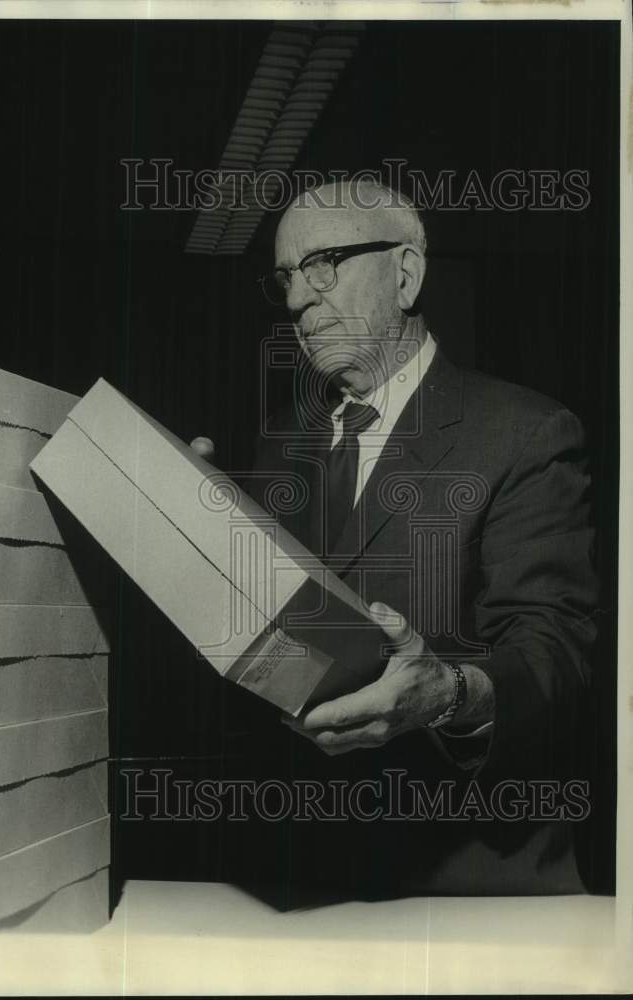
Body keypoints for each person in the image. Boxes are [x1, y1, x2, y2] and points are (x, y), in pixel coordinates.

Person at [239, 179, 599, 898]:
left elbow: (555, 654)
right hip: (302, 887)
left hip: (469, 889)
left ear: (405, 273)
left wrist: (448, 694)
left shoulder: (526, 434)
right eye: (284, 278)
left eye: (324, 264)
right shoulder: (278, 451)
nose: (297, 302)